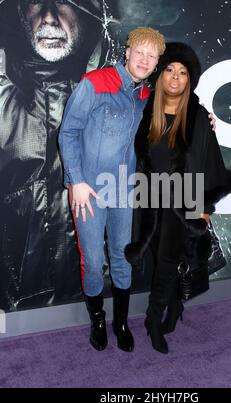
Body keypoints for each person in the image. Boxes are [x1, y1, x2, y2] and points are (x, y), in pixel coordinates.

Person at [58, 27, 167, 352]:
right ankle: (97, 322)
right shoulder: (95, 83)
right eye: (140, 52)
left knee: (122, 258)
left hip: (123, 193)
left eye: (152, 56)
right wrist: (76, 180)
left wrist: (207, 119)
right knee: (92, 262)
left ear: (156, 61)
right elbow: (68, 132)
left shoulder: (147, 97)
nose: (145, 60)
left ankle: (120, 323)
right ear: (127, 51)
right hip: (88, 191)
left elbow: (179, 115)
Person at [0, 0, 113, 310]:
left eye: (64, 1)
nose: (48, 17)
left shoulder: (130, 93)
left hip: (112, 305)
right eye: (36, 1)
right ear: (18, 11)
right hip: (18, 325)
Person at [125, 42, 231, 354]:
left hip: (183, 201)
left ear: (190, 79)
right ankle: (170, 310)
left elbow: (211, 162)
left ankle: (154, 316)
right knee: (166, 260)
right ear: (160, 76)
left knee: (169, 260)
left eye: (183, 72)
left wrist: (205, 206)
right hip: (150, 200)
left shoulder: (199, 117)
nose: (175, 77)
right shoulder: (146, 113)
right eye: (170, 70)